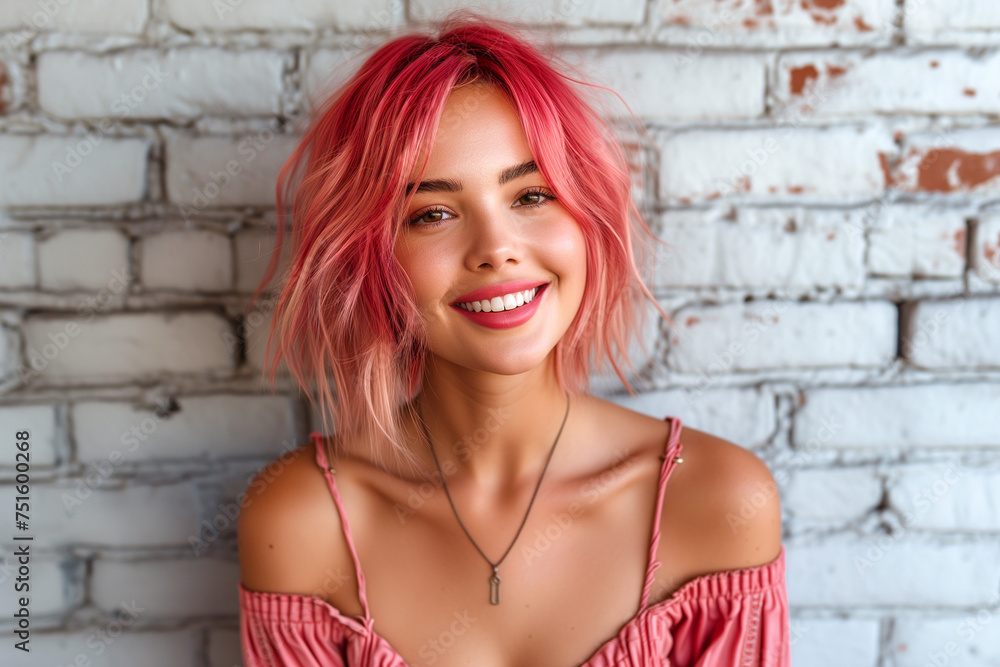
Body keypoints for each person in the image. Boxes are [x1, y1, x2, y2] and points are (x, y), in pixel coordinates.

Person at [237, 11, 790, 667]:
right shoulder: (301, 520)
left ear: (585, 219)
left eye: (531, 196)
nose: (497, 249)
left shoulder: (716, 500)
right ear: (368, 256)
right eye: (433, 213)